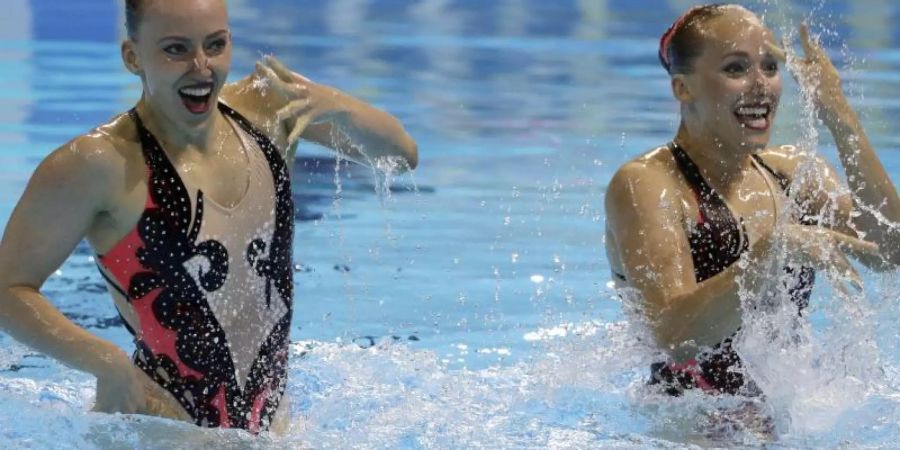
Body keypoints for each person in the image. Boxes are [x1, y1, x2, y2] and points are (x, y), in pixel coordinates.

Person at [0, 0, 417, 433]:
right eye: (176, 50)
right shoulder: (98, 163)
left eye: (215, 45)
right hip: (161, 429)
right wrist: (104, 361)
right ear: (132, 56)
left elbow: (401, 156)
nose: (201, 67)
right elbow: (8, 287)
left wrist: (334, 104)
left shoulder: (270, 111)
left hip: (276, 432)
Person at [604, 4, 899, 396]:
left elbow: (891, 250)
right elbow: (672, 337)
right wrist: (774, 250)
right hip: (690, 424)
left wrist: (839, 115)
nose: (761, 84)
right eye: (736, 69)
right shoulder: (649, 184)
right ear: (682, 87)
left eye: (770, 67)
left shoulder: (790, 174)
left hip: (784, 417)